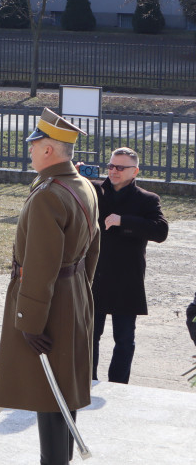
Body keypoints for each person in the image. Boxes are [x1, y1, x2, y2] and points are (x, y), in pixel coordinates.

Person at [0, 108, 100, 465]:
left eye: (35, 145)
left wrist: (29, 319)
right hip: (74, 295)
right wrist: (81, 289)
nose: (31, 151)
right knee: (62, 390)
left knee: (49, 393)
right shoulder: (82, 184)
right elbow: (94, 245)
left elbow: (39, 265)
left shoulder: (48, 195)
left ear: (49, 150)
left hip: (49, 304)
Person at [88, 147, 168, 384]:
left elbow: (160, 231)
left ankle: (119, 386)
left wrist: (124, 221)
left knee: (124, 339)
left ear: (135, 171)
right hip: (96, 275)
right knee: (90, 335)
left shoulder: (147, 199)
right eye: (111, 166)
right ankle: (86, 380)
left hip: (126, 278)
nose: (114, 171)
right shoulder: (94, 191)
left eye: (120, 167)